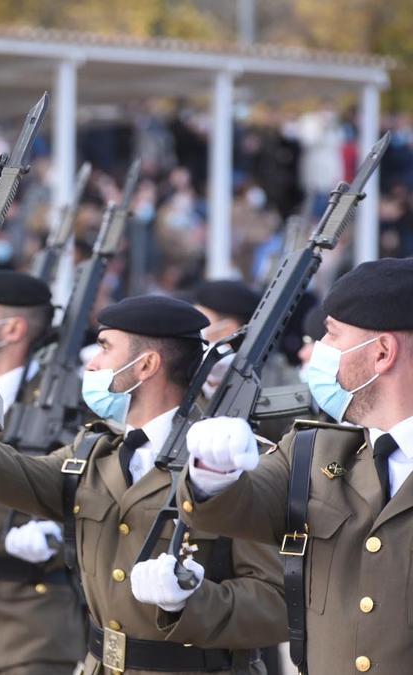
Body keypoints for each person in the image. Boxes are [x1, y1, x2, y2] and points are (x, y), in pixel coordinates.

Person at [0, 295, 287, 675]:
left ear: (147, 365)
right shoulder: (95, 453)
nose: (93, 363)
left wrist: (191, 600)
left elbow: (275, 604)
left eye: (105, 348)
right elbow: (18, 475)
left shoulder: (228, 463)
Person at [180, 257, 413, 675]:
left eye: (332, 335)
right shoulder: (312, 452)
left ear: (381, 353)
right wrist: (210, 472)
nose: (317, 350)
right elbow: (238, 505)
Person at [0, 271, 87, 675]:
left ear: (13, 328)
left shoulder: (64, 401)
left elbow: (93, 488)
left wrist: (60, 538)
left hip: (34, 621)